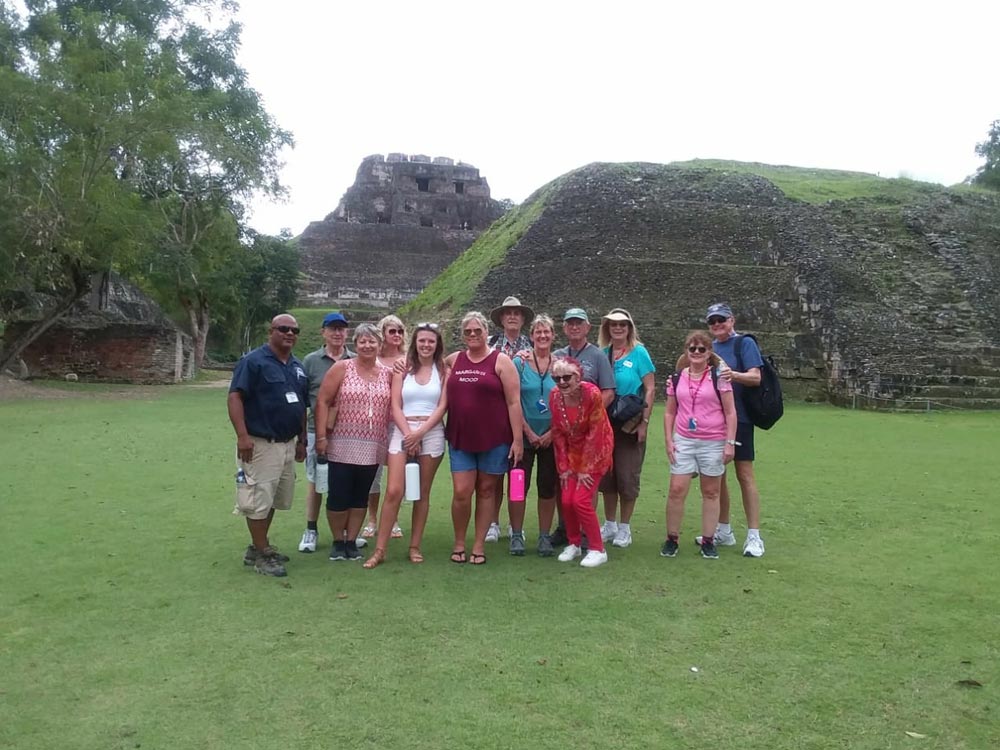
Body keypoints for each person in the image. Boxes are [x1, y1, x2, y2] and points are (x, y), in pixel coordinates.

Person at [227, 314, 308, 577]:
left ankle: (257, 546)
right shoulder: (253, 362)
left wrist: (302, 440)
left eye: (294, 330)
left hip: (287, 443)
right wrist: (242, 436)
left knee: (273, 498)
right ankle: (263, 554)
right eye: (283, 329)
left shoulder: (296, 366)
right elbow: (236, 396)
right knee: (258, 499)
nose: (290, 333)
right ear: (270, 331)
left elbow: (301, 407)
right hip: (261, 442)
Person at [363, 322, 448, 568]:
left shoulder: (443, 369)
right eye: (422, 340)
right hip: (403, 429)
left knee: (422, 493)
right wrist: (409, 433)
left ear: (437, 344)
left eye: (431, 341)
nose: (426, 345)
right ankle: (380, 549)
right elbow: (395, 405)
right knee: (394, 491)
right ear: (415, 343)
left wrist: (420, 433)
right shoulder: (403, 368)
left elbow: (443, 406)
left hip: (430, 432)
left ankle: (414, 546)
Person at [444, 311, 524, 565]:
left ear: (486, 332)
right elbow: (425, 362)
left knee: (487, 490)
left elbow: (513, 402)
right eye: (467, 331)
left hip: (495, 438)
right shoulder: (454, 360)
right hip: (460, 437)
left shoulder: (501, 361)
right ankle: (459, 542)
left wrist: (518, 440)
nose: (472, 335)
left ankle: (478, 545)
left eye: (477, 331)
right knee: (461, 492)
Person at [314, 323, 392, 562]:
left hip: (373, 445)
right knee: (338, 495)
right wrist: (321, 437)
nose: (367, 346)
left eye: (372, 341)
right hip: (341, 443)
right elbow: (323, 402)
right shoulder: (342, 368)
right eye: (362, 341)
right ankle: (338, 541)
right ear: (355, 344)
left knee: (361, 495)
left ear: (380, 345)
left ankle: (351, 541)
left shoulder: (388, 373)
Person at [662, 331, 737, 559]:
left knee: (711, 491)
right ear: (686, 351)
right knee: (676, 489)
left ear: (708, 353)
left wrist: (730, 443)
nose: (696, 353)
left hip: (713, 440)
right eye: (692, 348)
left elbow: (731, 412)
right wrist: (668, 439)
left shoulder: (719, 377)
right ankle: (672, 538)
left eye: (701, 349)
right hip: (684, 438)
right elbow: (669, 412)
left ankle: (708, 540)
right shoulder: (677, 378)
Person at [550, 307, 616, 546]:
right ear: (565, 328)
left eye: (579, 323)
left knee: (585, 490)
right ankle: (570, 535)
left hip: (593, 431)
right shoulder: (558, 355)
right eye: (570, 323)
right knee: (567, 492)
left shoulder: (597, 356)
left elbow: (608, 391)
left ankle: (590, 538)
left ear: (588, 327)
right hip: (569, 435)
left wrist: (587, 414)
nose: (574, 327)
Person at [705, 303, 766, 557]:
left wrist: (733, 375)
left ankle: (754, 536)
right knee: (717, 476)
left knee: (744, 474)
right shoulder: (710, 349)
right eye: (712, 321)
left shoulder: (744, 344)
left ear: (732, 320)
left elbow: (756, 377)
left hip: (739, 418)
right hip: (714, 420)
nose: (717, 324)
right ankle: (724, 529)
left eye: (721, 319)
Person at [597, 308, 656, 548]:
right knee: (607, 476)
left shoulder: (639, 353)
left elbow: (650, 388)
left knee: (627, 476)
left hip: (630, 423)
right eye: (613, 325)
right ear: (607, 329)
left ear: (629, 328)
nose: (618, 328)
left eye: (622, 324)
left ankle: (625, 527)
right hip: (606, 423)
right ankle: (610, 523)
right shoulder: (602, 353)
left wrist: (645, 422)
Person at [298, 312, 354, 553]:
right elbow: (302, 402)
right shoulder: (311, 361)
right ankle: (311, 528)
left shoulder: (355, 359)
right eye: (332, 328)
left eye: (341, 329)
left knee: (347, 482)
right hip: (316, 429)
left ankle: (345, 532)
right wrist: (303, 437)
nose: (337, 333)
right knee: (315, 481)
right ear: (323, 332)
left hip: (349, 431)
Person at [485, 295, 534, 543]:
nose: (512, 316)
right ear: (502, 319)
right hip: (494, 420)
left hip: (522, 421)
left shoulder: (533, 347)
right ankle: (493, 522)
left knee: (517, 476)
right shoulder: (488, 345)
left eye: (517, 312)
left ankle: (517, 526)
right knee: (494, 476)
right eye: (508, 313)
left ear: (523, 319)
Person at [360, 315, 408, 541]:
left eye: (400, 330)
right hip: (375, 422)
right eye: (392, 331)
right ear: (383, 334)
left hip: (399, 422)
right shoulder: (373, 359)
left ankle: (393, 518)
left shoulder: (409, 359)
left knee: (397, 475)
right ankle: (372, 518)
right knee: (373, 473)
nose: (397, 335)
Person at [513, 315, 558, 556]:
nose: (542, 336)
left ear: (553, 335)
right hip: (524, 437)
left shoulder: (560, 364)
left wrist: (552, 432)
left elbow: (565, 403)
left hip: (552, 437)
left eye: (546, 332)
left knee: (547, 487)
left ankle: (543, 536)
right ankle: (517, 534)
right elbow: (512, 400)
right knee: (519, 486)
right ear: (531, 336)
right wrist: (527, 432)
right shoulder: (519, 364)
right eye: (538, 332)